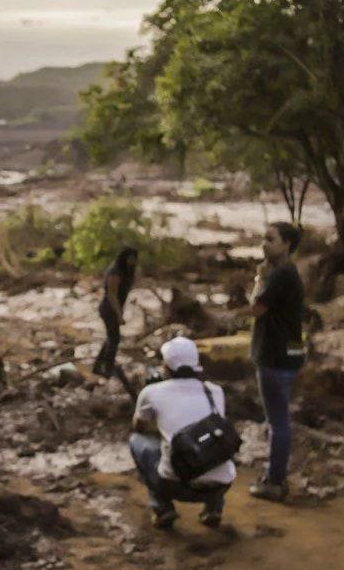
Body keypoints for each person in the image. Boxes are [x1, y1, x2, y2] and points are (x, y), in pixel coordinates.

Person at [129, 336, 236, 529]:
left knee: (137, 441)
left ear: (166, 366)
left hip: (175, 485)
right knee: (214, 443)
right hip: (221, 485)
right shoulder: (214, 391)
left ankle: (162, 507)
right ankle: (213, 508)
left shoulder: (152, 392)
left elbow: (139, 427)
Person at [248, 222, 306, 502]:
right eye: (264, 237)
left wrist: (259, 278)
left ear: (286, 245)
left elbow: (255, 308)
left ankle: (274, 480)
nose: (264, 243)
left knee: (278, 422)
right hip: (290, 353)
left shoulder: (278, 275)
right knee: (280, 419)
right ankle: (276, 476)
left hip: (274, 356)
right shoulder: (291, 272)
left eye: (270, 239)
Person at [92, 246, 138, 398]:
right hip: (109, 309)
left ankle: (98, 366)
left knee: (111, 338)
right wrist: (118, 314)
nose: (132, 261)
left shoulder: (126, 271)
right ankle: (107, 368)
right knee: (114, 338)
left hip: (115, 308)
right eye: (130, 258)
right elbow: (111, 295)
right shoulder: (115, 272)